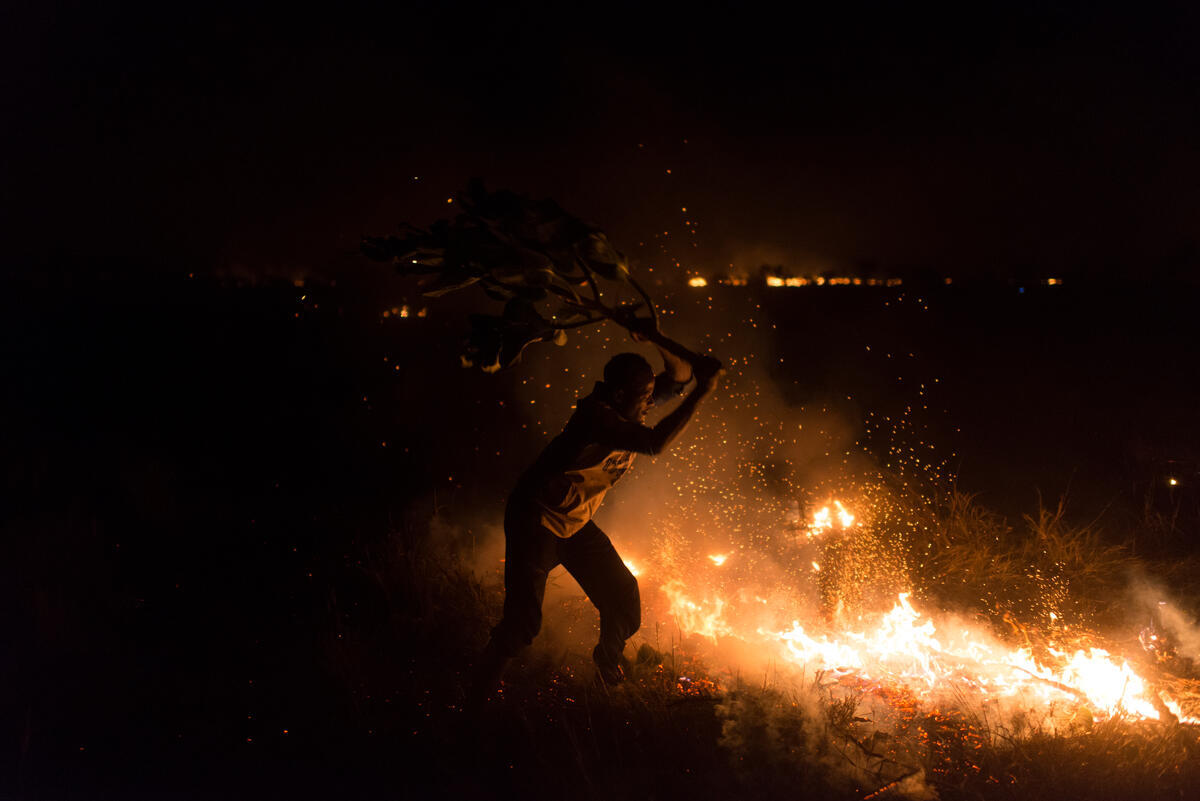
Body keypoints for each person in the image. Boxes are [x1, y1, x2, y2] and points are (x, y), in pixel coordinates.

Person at [471, 322, 721, 701]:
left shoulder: (626, 404)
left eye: (651, 396)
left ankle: (606, 667)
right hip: (537, 521)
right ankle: (478, 693)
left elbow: (678, 377)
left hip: (574, 524)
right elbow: (654, 443)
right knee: (523, 626)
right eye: (644, 398)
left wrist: (655, 338)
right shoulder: (598, 418)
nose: (649, 404)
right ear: (620, 394)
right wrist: (703, 392)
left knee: (623, 598)